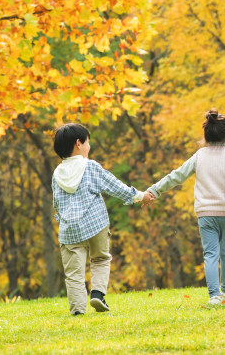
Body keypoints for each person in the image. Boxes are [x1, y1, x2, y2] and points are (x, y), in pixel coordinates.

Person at [143, 109, 225, 305]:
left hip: (205, 214)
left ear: (206, 135)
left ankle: (214, 296)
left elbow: (176, 176)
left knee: (210, 254)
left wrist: (154, 190)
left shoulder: (199, 156)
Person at [51, 123, 145, 316]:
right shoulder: (90, 167)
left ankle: (77, 310)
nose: (89, 146)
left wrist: (62, 220)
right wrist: (138, 196)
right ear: (79, 143)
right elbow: (115, 186)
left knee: (73, 274)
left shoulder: (57, 174)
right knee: (101, 259)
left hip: (70, 231)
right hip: (96, 225)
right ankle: (97, 294)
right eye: (88, 142)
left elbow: (57, 203)